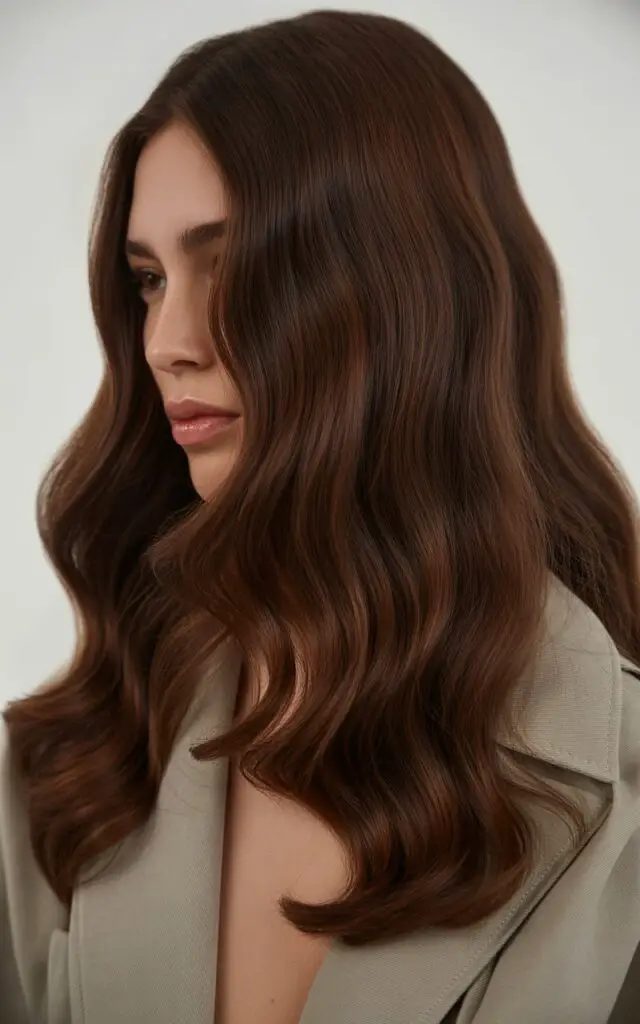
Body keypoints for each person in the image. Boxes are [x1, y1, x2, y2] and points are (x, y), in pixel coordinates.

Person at [1, 8, 639, 1023]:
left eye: (234, 262)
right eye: (150, 279)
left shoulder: (622, 793)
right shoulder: (69, 765)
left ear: (414, 290)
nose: (165, 338)